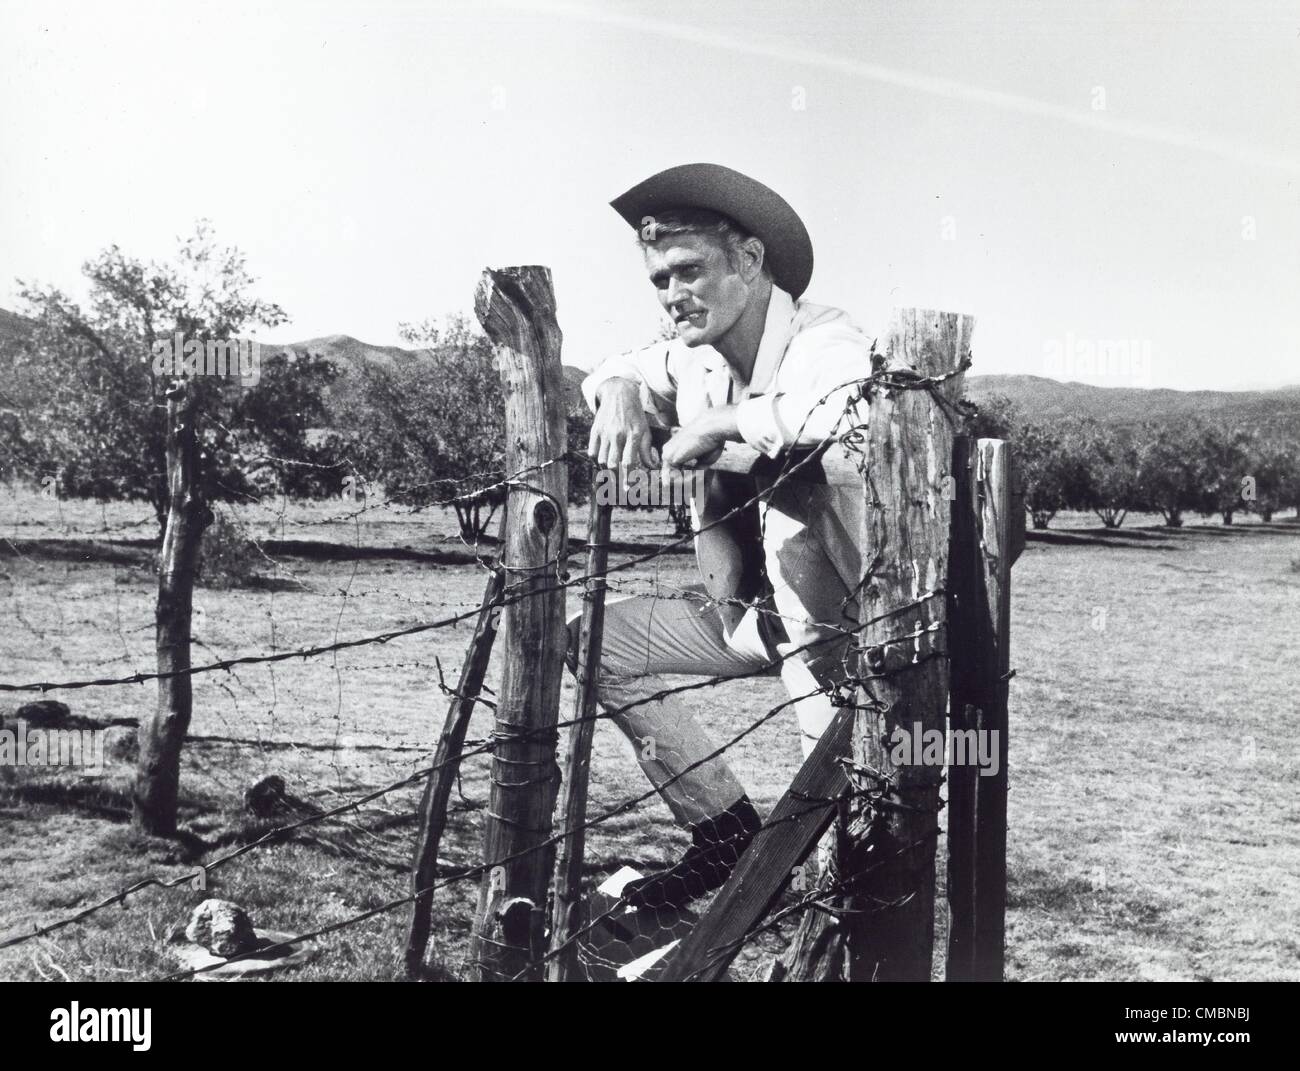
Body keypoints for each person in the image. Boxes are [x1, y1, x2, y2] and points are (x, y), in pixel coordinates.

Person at [575, 163, 878, 909]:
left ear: (748, 261)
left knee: (844, 848)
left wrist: (723, 424)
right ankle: (722, 832)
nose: (674, 295)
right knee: (593, 645)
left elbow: (852, 429)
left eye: (690, 271)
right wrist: (616, 389)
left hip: (840, 634)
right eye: (659, 279)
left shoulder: (825, 339)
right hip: (746, 615)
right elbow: (626, 367)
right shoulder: (696, 354)